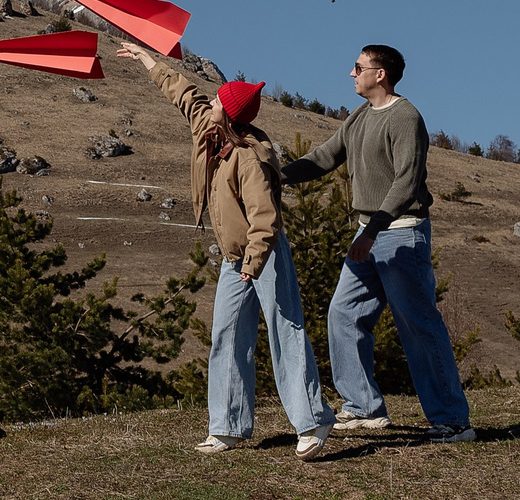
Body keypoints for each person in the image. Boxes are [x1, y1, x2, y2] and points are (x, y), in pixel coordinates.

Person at [121, 42, 328, 459]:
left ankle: (312, 423)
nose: (211, 100)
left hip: (264, 255)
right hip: (236, 259)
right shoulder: (209, 130)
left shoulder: (251, 160)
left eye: (219, 99)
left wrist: (252, 264)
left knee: (285, 332)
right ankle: (228, 426)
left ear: (230, 113)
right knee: (227, 335)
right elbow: (184, 94)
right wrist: (148, 60)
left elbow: (264, 220)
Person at [279, 43, 476, 442]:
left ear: (380, 74)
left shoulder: (406, 117)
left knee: (418, 325)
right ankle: (363, 407)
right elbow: (322, 157)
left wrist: (372, 232)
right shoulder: (359, 118)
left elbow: (406, 182)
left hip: (401, 233)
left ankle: (453, 421)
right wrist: (275, 175)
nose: (351, 73)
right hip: (368, 232)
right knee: (344, 314)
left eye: (358, 67)